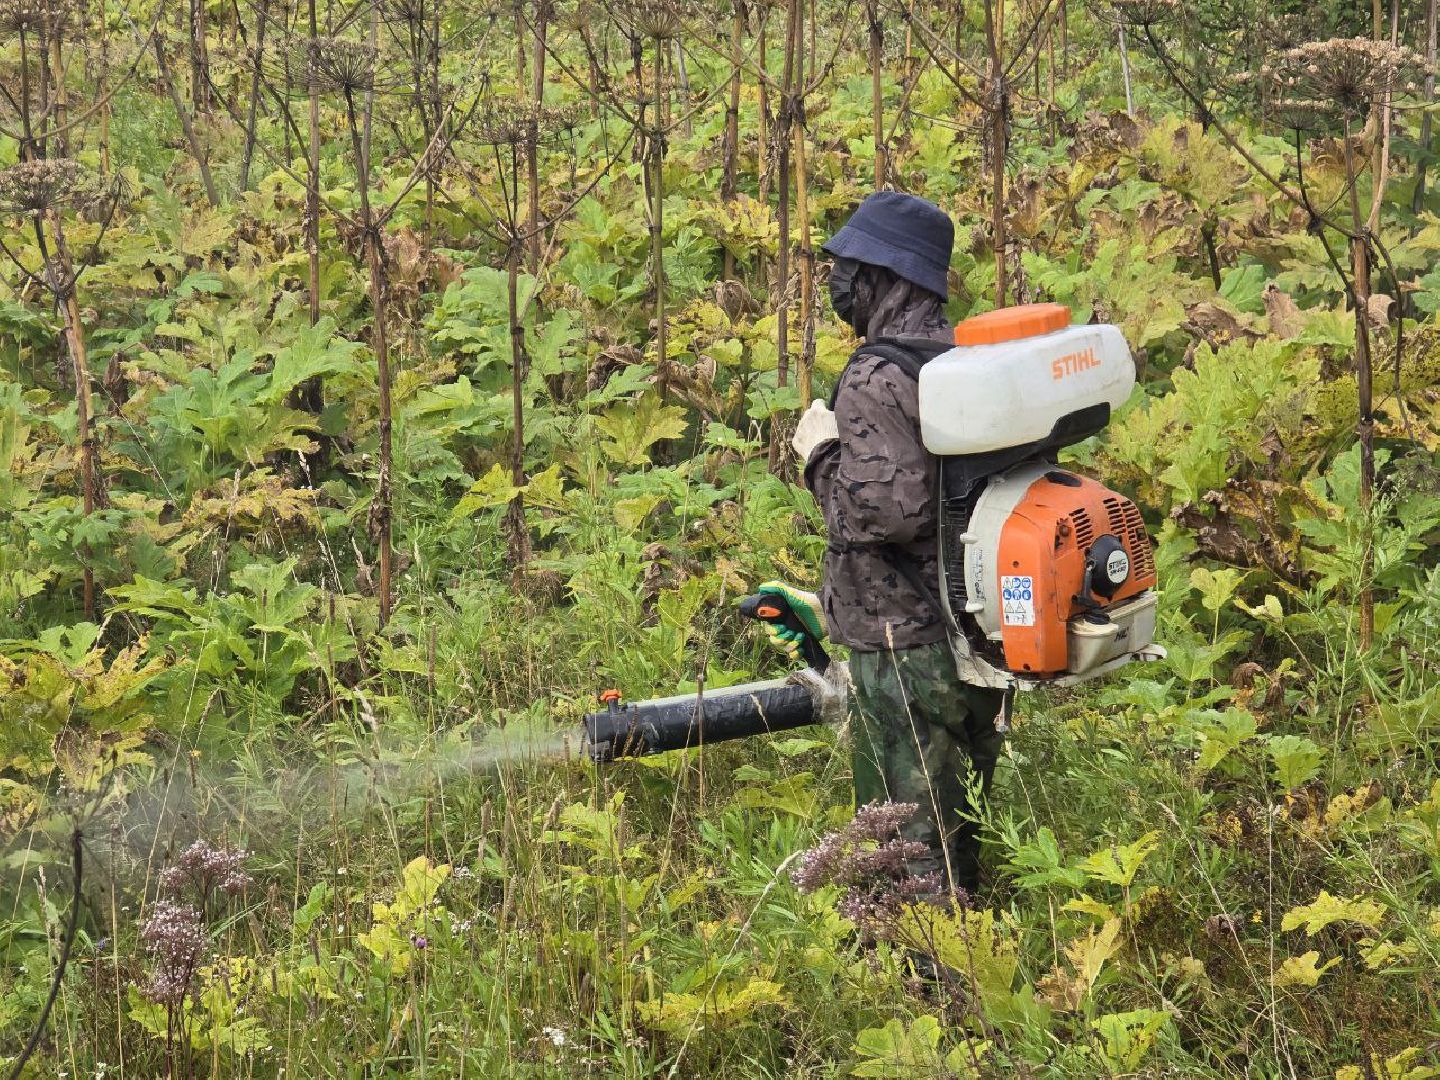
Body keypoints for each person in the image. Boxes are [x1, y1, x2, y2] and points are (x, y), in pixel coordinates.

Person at [764, 191, 1006, 899]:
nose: (838, 280)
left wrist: (820, 455)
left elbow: (883, 515)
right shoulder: (957, 358)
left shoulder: (875, 377)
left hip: (904, 651)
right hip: (969, 634)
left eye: (848, 265)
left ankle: (923, 988)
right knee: (956, 826)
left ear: (886, 275)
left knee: (904, 851)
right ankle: (967, 963)